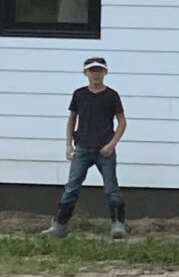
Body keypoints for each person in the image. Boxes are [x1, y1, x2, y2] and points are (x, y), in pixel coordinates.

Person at [47, 57, 128, 239]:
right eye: (92, 71)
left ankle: (117, 224)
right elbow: (72, 119)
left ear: (105, 73)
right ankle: (59, 225)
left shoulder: (112, 96)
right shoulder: (79, 95)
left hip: (104, 150)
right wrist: (68, 144)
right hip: (83, 148)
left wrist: (111, 144)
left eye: (99, 71)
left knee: (111, 188)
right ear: (86, 73)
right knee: (72, 187)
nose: (96, 75)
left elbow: (122, 122)